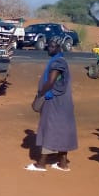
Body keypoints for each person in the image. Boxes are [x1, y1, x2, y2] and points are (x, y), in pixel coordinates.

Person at [26, 34, 78, 171]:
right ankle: (63, 163)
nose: (49, 48)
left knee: (49, 129)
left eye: (52, 46)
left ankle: (41, 163)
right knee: (61, 130)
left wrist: (39, 95)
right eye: (49, 45)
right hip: (63, 103)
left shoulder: (58, 62)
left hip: (54, 101)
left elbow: (50, 82)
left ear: (59, 47)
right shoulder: (60, 60)